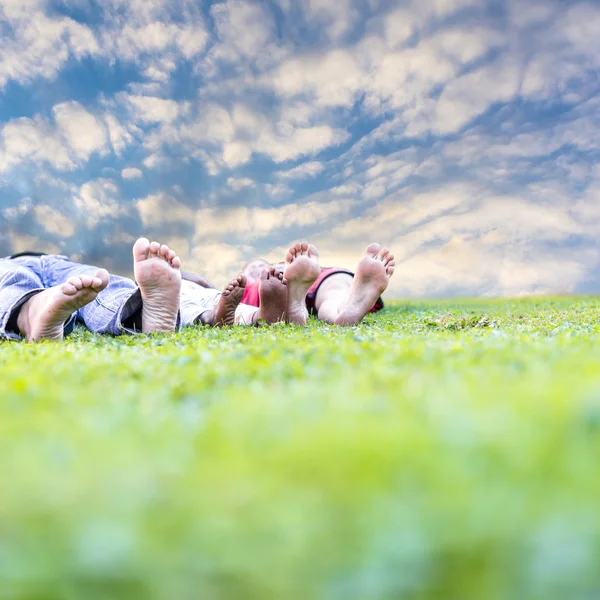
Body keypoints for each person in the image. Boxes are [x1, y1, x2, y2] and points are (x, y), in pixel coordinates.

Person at [0, 238, 247, 342]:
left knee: (98, 282)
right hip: (9, 261)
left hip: (56, 262)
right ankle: (32, 311)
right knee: (14, 278)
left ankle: (142, 313)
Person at [182, 242, 396, 326]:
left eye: (259, 266)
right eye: (253, 268)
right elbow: (206, 289)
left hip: (293, 283)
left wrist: (179, 275)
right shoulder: (247, 289)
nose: (258, 269)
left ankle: (297, 305)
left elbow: (205, 287)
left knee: (334, 288)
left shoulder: (251, 286)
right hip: (312, 280)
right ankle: (346, 309)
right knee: (334, 293)